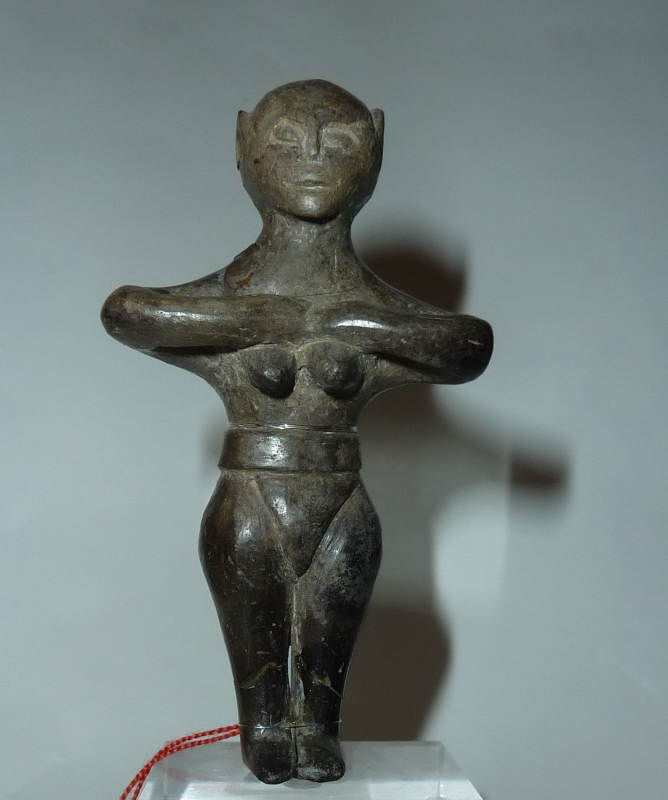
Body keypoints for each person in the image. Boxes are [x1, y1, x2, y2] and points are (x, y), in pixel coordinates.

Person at [101, 79, 493, 784]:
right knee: (259, 671)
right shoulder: (230, 292)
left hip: (341, 498)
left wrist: (350, 321)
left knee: (325, 664)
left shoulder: (372, 302)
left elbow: (467, 346)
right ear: (243, 145)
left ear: (376, 149)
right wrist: (268, 318)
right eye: (284, 141)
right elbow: (129, 312)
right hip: (248, 496)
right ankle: (262, 732)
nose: (311, 158)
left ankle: (317, 730)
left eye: (338, 141)